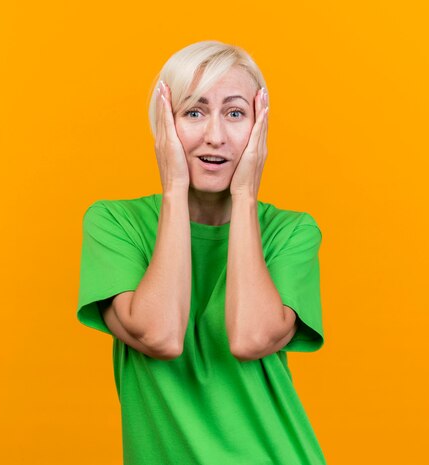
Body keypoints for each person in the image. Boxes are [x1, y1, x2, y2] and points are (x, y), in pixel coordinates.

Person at [77, 40, 326, 465]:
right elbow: (160, 335)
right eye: (193, 112)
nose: (215, 135)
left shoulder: (290, 232)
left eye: (235, 113)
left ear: (258, 128)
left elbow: (250, 338)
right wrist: (173, 188)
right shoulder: (116, 225)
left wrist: (245, 194)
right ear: (163, 124)